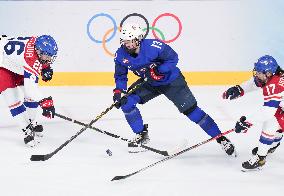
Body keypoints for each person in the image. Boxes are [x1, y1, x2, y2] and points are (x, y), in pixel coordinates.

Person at [112, 23, 236, 155]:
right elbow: (120, 75)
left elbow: (173, 58)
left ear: (139, 38)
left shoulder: (154, 46)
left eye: (131, 41)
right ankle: (141, 134)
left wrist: (159, 70)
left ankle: (221, 138)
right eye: (125, 42)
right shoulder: (120, 54)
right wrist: (119, 91)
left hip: (171, 81)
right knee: (126, 103)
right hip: (149, 83)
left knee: (192, 112)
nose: (128, 45)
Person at [223, 55, 283, 171]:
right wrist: (239, 89)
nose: (256, 74)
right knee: (277, 117)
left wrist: (247, 123)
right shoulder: (273, 76)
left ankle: (260, 158)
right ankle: (273, 144)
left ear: (269, 73)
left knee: (270, 123)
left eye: (259, 73)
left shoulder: (274, 85)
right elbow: (253, 83)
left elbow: (267, 112)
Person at [0, 35, 57, 147]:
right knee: (13, 99)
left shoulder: (37, 43)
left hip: (17, 65)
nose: (49, 59)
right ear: (38, 51)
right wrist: (44, 102)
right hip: (2, 66)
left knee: (31, 97)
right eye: (47, 56)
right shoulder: (31, 58)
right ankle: (26, 128)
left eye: (50, 56)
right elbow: (31, 89)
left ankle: (31, 122)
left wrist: (45, 67)